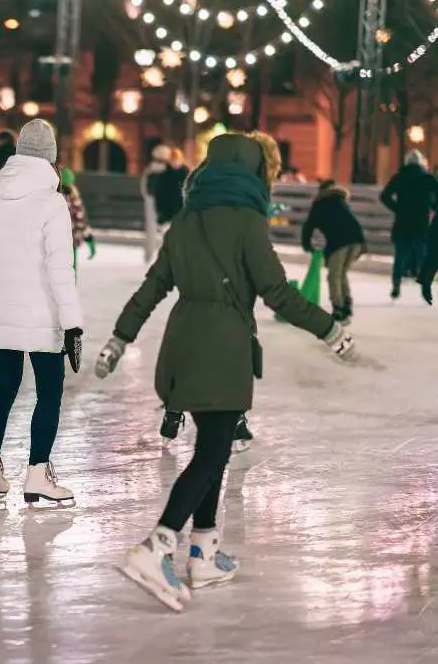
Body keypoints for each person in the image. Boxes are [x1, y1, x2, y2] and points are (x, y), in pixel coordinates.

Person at [93, 132, 356, 612]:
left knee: (211, 446)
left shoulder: (185, 221)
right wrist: (329, 329)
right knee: (213, 454)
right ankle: (157, 546)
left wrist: (119, 338)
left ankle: (203, 553)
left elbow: (151, 288)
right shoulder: (247, 221)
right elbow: (277, 292)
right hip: (222, 349)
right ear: (253, 171)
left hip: (182, 346)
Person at [0, 119, 84, 506]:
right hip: (42, 317)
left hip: (1, 312)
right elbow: (60, 269)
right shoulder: (52, 202)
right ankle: (38, 473)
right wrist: (72, 324)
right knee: (49, 393)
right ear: (51, 158)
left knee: (3, 389)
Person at [301, 180, 366, 322]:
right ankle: (346, 305)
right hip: (358, 241)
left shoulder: (320, 203)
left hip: (340, 242)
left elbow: (309, 226)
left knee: (334, 275)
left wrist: (307, 245)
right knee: (341, 273)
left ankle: (338, 309)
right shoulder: (340, 201)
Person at [380, 150, 438, 299]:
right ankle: (425, 287)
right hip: (421, 223)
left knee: (400, 256)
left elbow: (384, 195)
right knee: (422, 255)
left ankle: (396, 286)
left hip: (402, 222)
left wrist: (397, 208)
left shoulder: (400, 177)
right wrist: (432, 207)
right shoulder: (427, 178)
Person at [60, 166, 96, 274]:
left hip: (54, 243)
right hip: (70, 243)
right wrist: (90, 240)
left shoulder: (52, 196)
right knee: (69, 274)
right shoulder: (74, 198)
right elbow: (81, 222)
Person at [140, 144, 171, 263]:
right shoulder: (166, 170)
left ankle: (150, 254)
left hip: (151, 199)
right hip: (160, 201)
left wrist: (147, 196)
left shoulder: (150, 169)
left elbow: (144, 186)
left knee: (151, 228)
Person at [154, 147, 190, 226]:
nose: (175, 162)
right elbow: (159, 193)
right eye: (173, 159)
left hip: (182, 209)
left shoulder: (186, 174)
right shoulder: (164, 175)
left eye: (177, 159)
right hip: (168, 210)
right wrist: (160, 210)